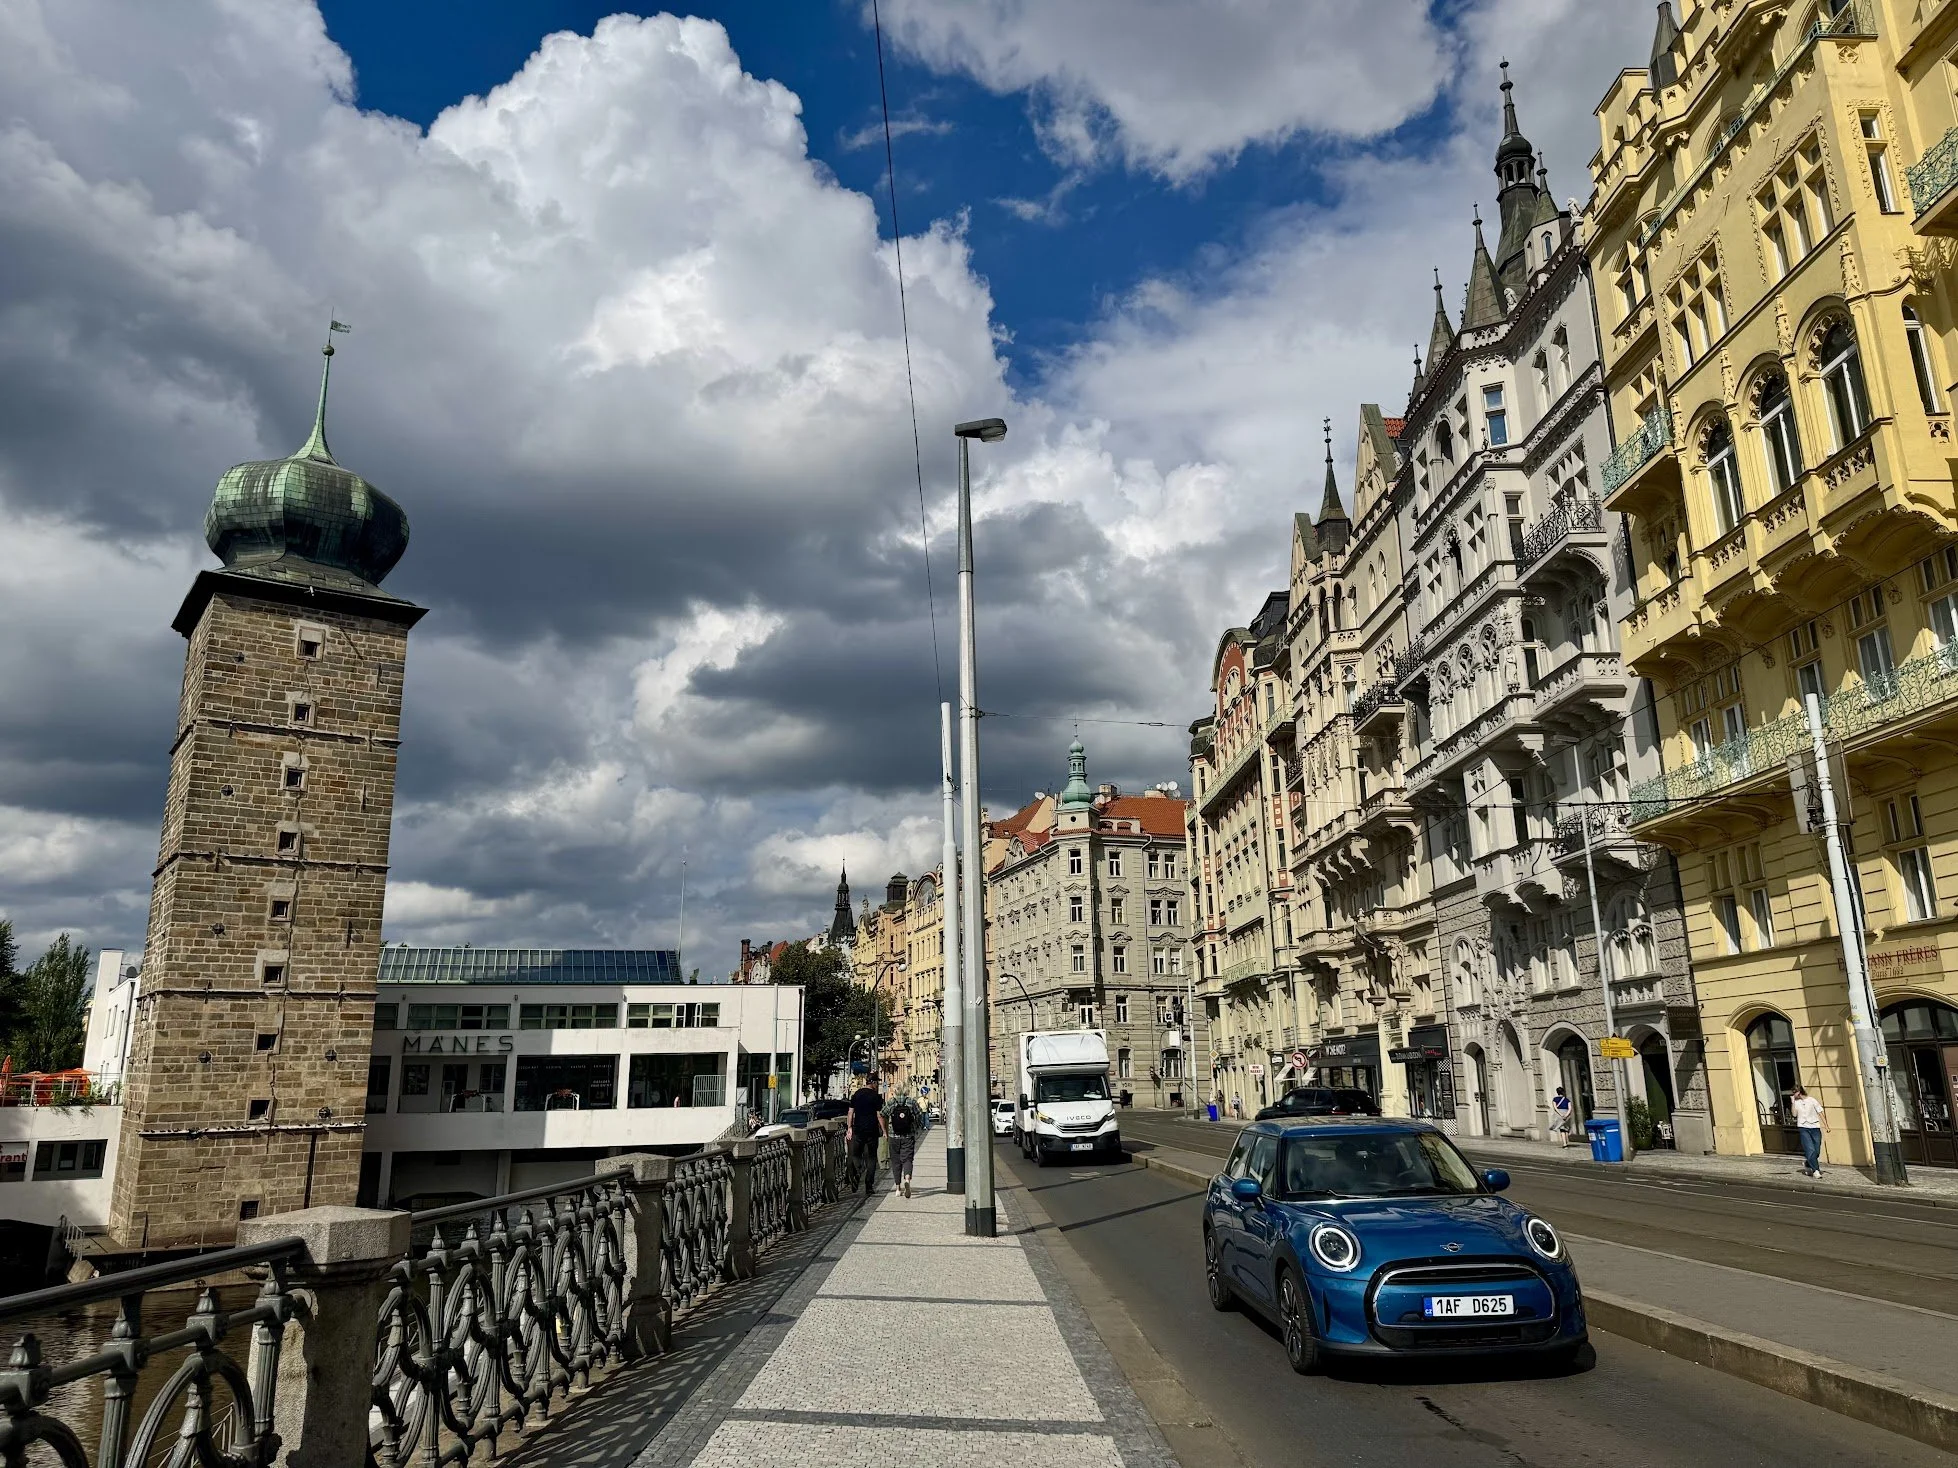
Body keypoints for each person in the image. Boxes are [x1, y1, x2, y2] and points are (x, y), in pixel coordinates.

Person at [846, 1076, 885, 1198]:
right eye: (876, 1083)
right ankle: (869, 1186)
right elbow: (879, 1115)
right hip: (872, 1130)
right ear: (872, 1083)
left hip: (858, 1130)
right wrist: (884, 1130)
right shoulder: (876, 1097)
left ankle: (858, 1171)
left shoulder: (857, 1094)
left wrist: (849, 1127)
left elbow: (850, 1112)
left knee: (856, 1154)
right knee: (872, 1158)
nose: (877, 1085)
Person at [886, 1093, 919, 1198]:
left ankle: (897, 1188)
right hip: (908, 1136)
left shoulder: (891, 1102)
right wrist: (916, 1127)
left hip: (893, 1136)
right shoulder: (912, 1102)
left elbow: (882, 1114)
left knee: (896, 1162)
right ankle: (907, 1179)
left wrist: (885, 1129)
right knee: (907, 1159)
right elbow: (918, 1115)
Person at [1791, 1084, 1826, 1177]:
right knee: (1810, 1149)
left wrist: (1826, 1125)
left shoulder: (1812, 1100)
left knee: (1817, 1150)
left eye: (1795, 1092)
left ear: (1799, 1092)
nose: (1794, 1094)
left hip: (1815, 1127)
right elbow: (1794, 1114)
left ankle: (1807, 1163)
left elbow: (1820, 1112)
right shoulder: (1796, 1102)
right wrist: (1793, 1102)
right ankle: (1816, 1171)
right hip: (1803, 1128)